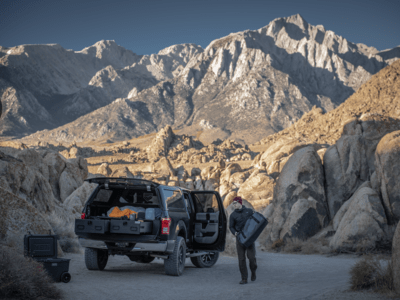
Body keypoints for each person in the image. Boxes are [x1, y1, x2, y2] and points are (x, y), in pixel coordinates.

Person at [229, 196, 257, 284]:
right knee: (241, 259)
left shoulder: (249, 211)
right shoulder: (233, 215)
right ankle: (244, 278)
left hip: (249, 239)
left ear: (240, 203)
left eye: (235, 203)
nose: (234, 205)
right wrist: (235, 233)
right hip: (240, 239)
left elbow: (255, 220)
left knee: (251, 258)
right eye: (233, 204)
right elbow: (231, 226)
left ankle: (253, 271)